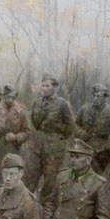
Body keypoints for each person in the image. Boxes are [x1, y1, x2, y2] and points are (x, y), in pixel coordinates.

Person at [24, 74, 74, 206]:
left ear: (55, 87)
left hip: (54, 148)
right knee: (30, 175)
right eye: (43, 85)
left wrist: (58, 138)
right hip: (37, 145)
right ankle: (26, 205)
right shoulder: (37, 102)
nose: (44, 88)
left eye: (47, 86)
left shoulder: (62, 104)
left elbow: (70, 126)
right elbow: (34, 121)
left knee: (50, 180)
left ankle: (44, 207)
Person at [75, 83, 110, 173]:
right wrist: (81, 134)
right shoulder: (84, 109)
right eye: (94, 95)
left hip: (102, 151)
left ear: (104, 97)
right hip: (83, 148)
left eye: (98, 96)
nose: (95, 98)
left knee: (96, 177)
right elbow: (74, 125)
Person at [0, 85, 34, 159]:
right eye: (8, 97)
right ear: (3, 96)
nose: (10, 100)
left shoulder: (21, 111)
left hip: (13, 149)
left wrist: (15, 137)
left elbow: (27, 132)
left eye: (13, 97)